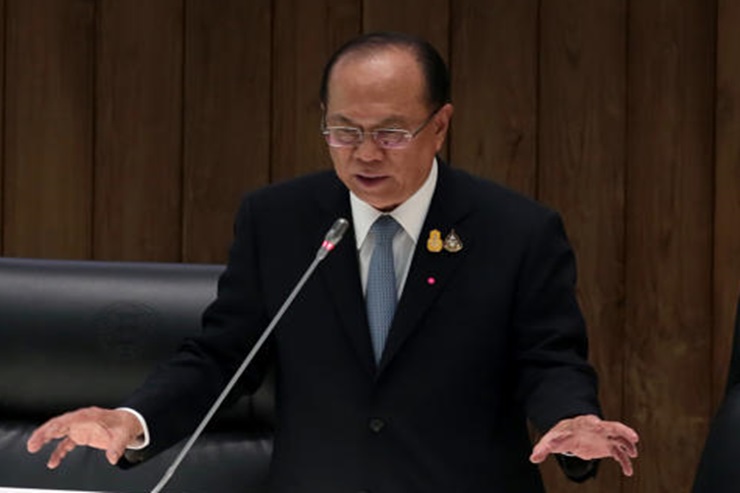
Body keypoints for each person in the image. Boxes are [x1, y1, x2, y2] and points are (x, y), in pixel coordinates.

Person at [27, 31, 639, 492]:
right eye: (344, 131)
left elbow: (548, 358)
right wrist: (132, 418)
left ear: (440, 127)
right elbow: (224, 356)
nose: (365, 154)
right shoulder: (279, 220)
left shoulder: (515, 230)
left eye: (391, 133)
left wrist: (573, 419)